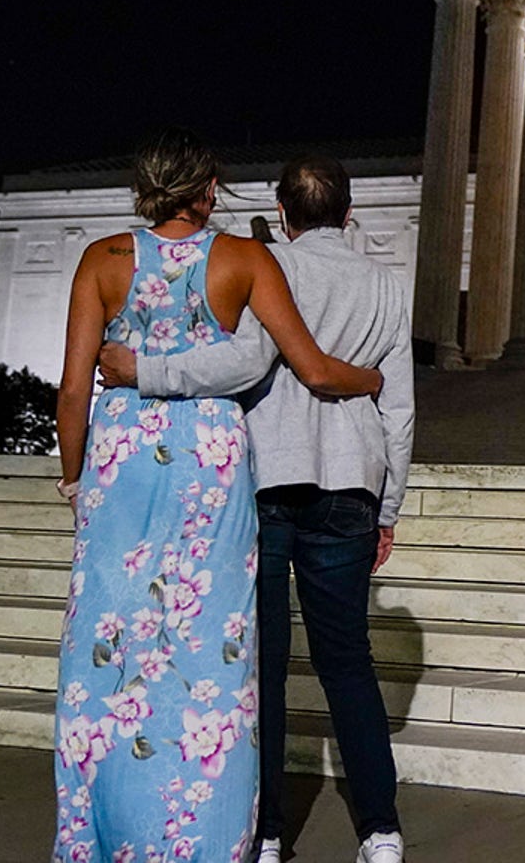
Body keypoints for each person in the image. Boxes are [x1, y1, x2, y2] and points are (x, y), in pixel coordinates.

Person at [53, 129, 382, 863]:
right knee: (211, 655)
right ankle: (203, 838)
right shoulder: (245, 258)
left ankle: (103, 836)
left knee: (110, 648)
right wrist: (373, 381)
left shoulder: (103, 259)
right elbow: (315, 369)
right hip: (209, 463)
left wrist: (74, 477)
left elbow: (74, 389)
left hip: (119, 462)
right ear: (208, 192)